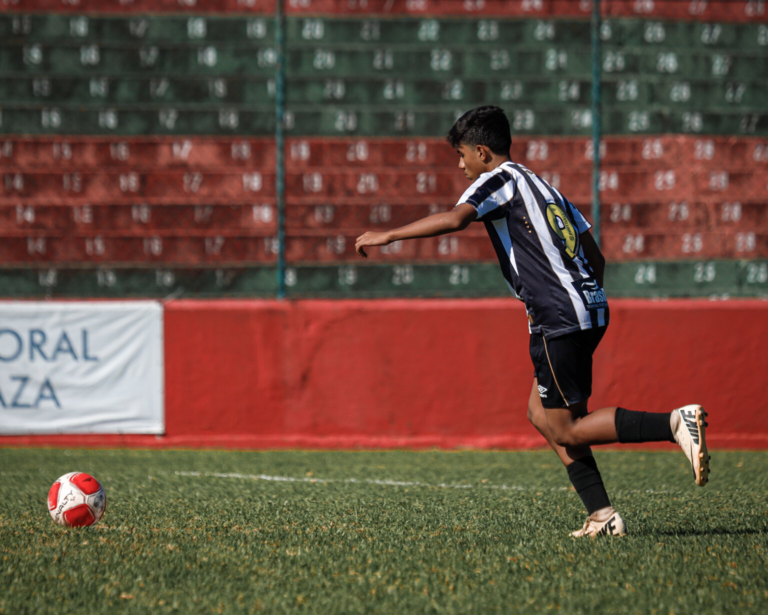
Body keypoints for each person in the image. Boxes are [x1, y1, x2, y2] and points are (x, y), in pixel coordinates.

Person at [355, 106, 710, 537]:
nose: (460, 164)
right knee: (540, 413)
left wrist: (387, 235)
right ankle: (602, 515)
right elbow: (595, 255)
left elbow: (455, 219)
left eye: (462, 154)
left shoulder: (497, 179)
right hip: (587, 308)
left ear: (483, 151)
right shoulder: (545, 187)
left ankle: (674, 422)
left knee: (567, 427)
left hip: (558, 316)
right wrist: (580, 297)